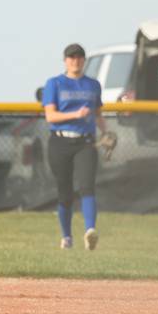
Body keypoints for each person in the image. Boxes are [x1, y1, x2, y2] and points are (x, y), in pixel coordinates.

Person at [41, 44, 108, 250]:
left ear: (84, 60)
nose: (75, 61)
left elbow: (97, 114)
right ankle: (67, 237)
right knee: (65, 191)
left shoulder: (93, 85)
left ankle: (90, 231)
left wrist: (106, 133)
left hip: (86, 141)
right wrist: (75, 115)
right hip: (60, 141)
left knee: (87, 185)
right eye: (71, 57)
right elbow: (50, 116)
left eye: (79, 57)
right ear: (65, 60)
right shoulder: (55, 83)